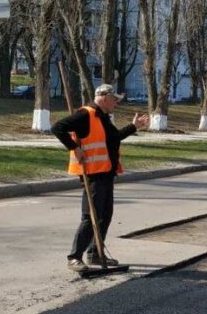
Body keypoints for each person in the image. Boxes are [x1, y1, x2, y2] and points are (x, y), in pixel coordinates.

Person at [53, 84, 149, 271]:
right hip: (94, 174)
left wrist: (133, 127)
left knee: (105, 215)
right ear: (104, 97)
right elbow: (58, 127)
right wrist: (74, 147)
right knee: (91, 216)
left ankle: (95, 253)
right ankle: (74, 257)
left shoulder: (103, 117)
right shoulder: (85, 114)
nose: (117, 103)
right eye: (115, 99)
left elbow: (114, 138)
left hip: (106, 173)